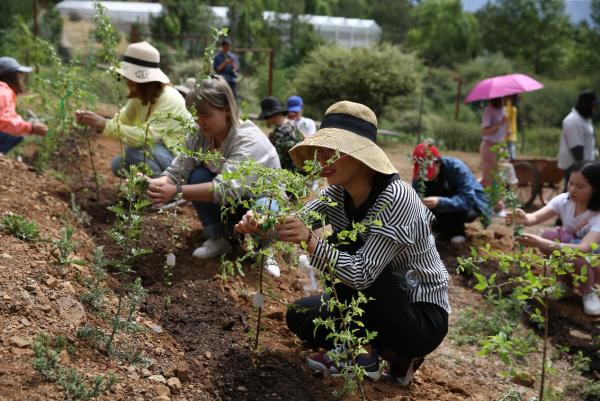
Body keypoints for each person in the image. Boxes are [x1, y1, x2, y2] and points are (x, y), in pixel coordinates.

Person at [235, 101, 450, 384]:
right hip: (374, 304)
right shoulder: (337, 193)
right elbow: (293, 224)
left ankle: (364, 355)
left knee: (344, 244)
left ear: (361, 155)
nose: (323, 159)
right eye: (321, 150)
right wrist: (261, 226)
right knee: (299, 316)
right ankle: (392, 353)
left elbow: (362, 274)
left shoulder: (396, 198)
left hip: (419, 314)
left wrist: (311, 239)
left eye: (333, 151)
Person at [145, 75, 282, 276]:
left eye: (206, 115)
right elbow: (179, 169)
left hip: (260, 199)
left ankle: (264, 249)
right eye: (196, 115)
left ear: (226, 109)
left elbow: (225, 188)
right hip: (230, 201)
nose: (200, 121)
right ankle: (220, 239)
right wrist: (158, 183)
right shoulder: (201, 134)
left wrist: (175, 191)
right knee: (198, 176)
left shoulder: (248, 141)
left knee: (264, 208)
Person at [76, 41, 191, 178]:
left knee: (134, 152)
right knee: (119, 165)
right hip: (161, 152)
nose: (128, 80)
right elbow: (121, 120)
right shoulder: (141, 96)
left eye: (132, 76)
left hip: (180, 161)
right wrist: (96, 121)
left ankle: (164, 192)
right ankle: (144, 189)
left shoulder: (169, 99)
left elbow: (144, 137)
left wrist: (103, 124)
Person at [506, 161, 600, 316]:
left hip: (594, 260)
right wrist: (524, 218)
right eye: (570, 183)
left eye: (580, 187)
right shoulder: (564, 200)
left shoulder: (597, 215)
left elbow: (585, 248)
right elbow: (534, 217)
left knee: (573, 255)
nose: (572, 190)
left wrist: (544, 244)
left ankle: (588, 291)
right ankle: (565, 284)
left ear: (596, 189)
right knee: (550, 236)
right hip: (575, 250)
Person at [412, 142, 491, 245]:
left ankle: (457, 231)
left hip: (470, 206)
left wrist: (440, 202)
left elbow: (467, 199)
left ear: (438, 163)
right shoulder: (419, 177)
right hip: (441, 208)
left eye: (428, 170)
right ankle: (438, 228)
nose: (426, 175)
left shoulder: (456, 168)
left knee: (455, 206)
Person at [0, 57, 47, 154]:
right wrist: (30, 127)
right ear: (11, 77)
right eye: (19, 75)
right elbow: (3, 121)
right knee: (15, 134)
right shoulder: (4, 92)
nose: (21, 79)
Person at [558, 90, 597, 191]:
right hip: (575, 167)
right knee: (571, 195)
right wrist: (583, 169)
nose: (595, 110)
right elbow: (576, 147)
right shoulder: (572, 121)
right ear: (586, 105)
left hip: (585, 165)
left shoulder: (585, 120)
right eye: (593, 106)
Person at [258, 96, 303, 171]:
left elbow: (274, 156)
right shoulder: (292, 125)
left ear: (273, 115)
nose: (267, 121)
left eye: (267, 117)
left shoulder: (281, 131)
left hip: (289, 175)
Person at [480, 97, 507, 187]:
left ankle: (496, 198)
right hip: (489, 146)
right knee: (489, 177)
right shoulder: (489, 111)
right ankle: (493, 199)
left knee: (499, 176)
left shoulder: (503, 110)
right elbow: (484, 131)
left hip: (499, 146)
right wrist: (499, 124)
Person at [504, 95, 518, 161]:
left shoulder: (511, 105)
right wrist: (508, 128)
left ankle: (511, 159)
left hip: (512, 130)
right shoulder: (508, 104)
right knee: (510, 147)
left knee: (510, 146)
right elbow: (508, 118)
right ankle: (512, 160)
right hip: (509, 130)